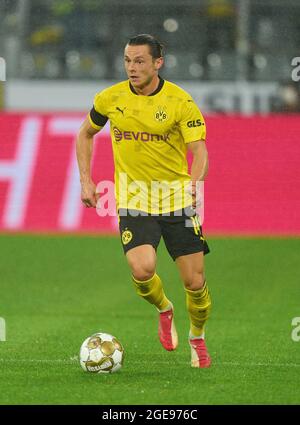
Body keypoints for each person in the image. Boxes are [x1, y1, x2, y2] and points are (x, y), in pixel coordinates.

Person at [76, 34, 212, 368]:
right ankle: (165, 309)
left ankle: (197, 336)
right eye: (127, 60)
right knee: (142, 269)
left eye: (139, 61)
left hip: (177, 200)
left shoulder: (181, 102)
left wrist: (195, 183)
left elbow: (199, 150)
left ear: (157, 63)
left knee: (194, 282)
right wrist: (86, 179)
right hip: (134, 199)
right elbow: (85, 133)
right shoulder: (111, 98)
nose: (132, 68)